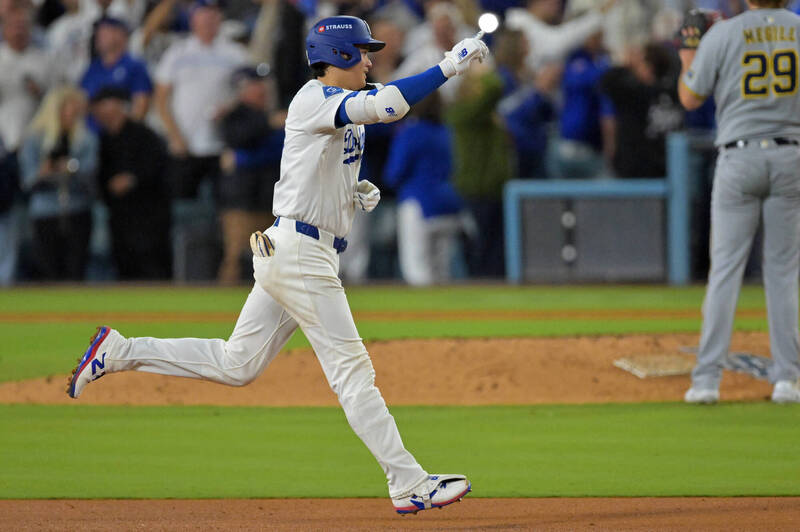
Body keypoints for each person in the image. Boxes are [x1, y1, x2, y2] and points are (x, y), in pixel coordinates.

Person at [68, 15, 489, 514]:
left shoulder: (340, 103)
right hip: (300, 254)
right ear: (339, 55)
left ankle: (119, 351)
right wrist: (447, 65)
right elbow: (390, 105)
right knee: (352, 372)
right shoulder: (314, 98)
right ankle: (408, 482)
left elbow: (321, 162)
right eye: (362, 50)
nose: (369, 59)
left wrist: (351, 193)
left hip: (298, 249)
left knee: (237, 364)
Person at [678, 1, 800, 404]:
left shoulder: (725, 32)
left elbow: (690, 96)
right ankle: (787, 380)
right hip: (790, 154)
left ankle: (706, 382)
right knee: (782, 273)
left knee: (725, 271)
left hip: (740, 154)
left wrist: (688, 55)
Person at [154, 0, 247, 198]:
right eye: (204, 13)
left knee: (225, 204)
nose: (209, 19)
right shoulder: (177, 53)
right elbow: (161, 98)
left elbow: (248, 94)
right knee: (183, 205)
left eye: (214, 13)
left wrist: (230, 108)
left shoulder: (235, 54)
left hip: (222, 146)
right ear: (193, 18)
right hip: (185, 145)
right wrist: (174, 136)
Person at [91, 86, 171, 280]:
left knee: (152, 267)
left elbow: (158, 168)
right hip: (119, 214)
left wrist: (132, 179)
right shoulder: (103, 140)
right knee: (123, 266)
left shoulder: (144, 135)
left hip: (149, 214)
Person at [384, 91, 463, 285]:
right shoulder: (446, 131)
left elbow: (394, 173)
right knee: (442, 272)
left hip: (418, 202)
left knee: (417, 270)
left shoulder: (411, 131)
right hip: (447, 202)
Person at [19, 86, 97, 281]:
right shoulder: (35, 139)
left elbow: (91, 176)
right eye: (70, 109)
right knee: (48, 270)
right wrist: (44, 172)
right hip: (45, 210)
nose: (74, 115)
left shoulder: (86, 140)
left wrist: (71, 168)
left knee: (76, 268)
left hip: (77, 208)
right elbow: (28, 181)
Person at [216, 65, 284, 284]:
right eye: (256, 85)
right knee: (235, 257)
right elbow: (240, 138)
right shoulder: (233, 116)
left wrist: (241, 158)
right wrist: (269, 124)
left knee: (274, 259)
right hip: (240, 200)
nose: (262, 90)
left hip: (272, 199)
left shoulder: (273, 115)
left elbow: (281, 152)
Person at [80, 17, 153, 122]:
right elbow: (81, 102)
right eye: (98, 33)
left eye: (104, 33)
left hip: (123, 129)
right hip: (91, 130)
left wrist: (128, 130)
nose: (98, 36)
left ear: (119, 35)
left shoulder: (134, 66)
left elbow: (141, 105)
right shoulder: (92, 68)